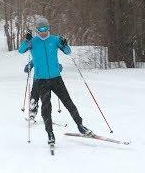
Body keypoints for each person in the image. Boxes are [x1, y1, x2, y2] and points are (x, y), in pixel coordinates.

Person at [18, 17, 93, 145]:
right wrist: (27, 40)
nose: (43, 31)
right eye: (41, 29)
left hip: (56, 78)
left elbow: (68, 51)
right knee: (46, 108)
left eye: (46, 28)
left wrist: (64, 44)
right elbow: (21, 50)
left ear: (49, 28)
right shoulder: (33, 42)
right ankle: (50, 134)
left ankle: (80, 126)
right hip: (41, 80)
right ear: (37, 30)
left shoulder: (54, 39)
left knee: (68, 102)